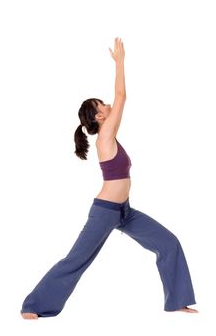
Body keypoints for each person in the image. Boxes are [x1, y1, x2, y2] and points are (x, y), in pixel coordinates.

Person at [21, 37, 198, 319]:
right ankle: (33, 306)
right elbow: (122, 96)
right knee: (77, 260)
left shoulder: (109, 136)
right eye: (101, 105)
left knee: (168, 242)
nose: (107, 105)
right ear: (98, 117)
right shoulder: (105, 136)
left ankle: (177, 301)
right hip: (105, 212)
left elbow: (117, 101)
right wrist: (119, 63)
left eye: (104, 103)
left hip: (124, 211)